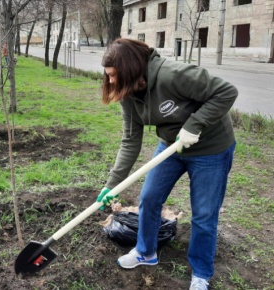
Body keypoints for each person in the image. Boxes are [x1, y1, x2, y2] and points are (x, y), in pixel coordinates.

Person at [96, 38, 238, 290]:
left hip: (211, 149)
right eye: (108, 76)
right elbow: (130, 140)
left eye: (114, 75)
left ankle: (201, 273)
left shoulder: (173, 75)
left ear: (130, 69)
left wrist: (194, 124)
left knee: (204, 214)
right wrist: (113, 185)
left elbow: (226, 91)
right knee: (149, 198)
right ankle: (145, 252)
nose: (111, 82)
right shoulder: (128, 93)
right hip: (171, 147)